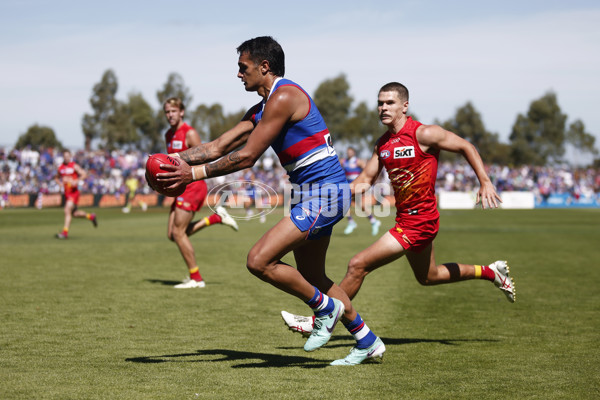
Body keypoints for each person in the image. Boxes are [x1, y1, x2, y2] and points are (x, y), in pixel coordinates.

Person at [157, 36, 385, 365]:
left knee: (259, 260)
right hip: (312, 193)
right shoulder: (263, 107)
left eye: (243, 68)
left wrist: (190, 175)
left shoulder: (284, 96)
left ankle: (325, 309)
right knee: (314, 278)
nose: (238, 74)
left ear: (264, 67)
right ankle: (367, 340)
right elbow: (218, 146)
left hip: (325, 192)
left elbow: (247, 156)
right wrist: (171, 159)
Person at [281, 82, 516, 339]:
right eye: (380, 103)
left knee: (358, 265)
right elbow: (366, 180)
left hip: (419, 222)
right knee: (429, 276)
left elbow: (466, 147)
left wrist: (484, 181)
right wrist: (332, 193)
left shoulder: (424, 134)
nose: (383, 107)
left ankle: (320, 319)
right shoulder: (382, 144)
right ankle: (491, 271)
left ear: (405, 106)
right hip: (407, 219)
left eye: (390, 103)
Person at [161, 97, 239, 289]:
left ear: (181, 112)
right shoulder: (168, 135)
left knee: (178, 233)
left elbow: (204, 157)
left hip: (193, 186)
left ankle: (196, 278)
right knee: (173, 234)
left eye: (173, 111)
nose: (170, 115)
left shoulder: (190, 133)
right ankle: (216, 219)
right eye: (167, 112)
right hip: (180, 187)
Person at [55, 150, 97, 239]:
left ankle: (65, 233)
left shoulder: (74, 166)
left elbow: (84, 174)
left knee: (67, 210)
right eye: (65, 156)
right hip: (67, 193)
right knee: (74, 214)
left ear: (70, 157)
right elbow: (56, 178)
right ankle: (91, 216)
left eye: (68, 156)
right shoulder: (61, 168)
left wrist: (76, 181)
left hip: (74, 193)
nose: (66, 158)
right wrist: (60, 184)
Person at [341, 146, 381, 236]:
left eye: (350, 152)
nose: (349, 153)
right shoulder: (344, 161)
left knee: (360, 205)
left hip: (357, 186)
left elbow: (368, 171)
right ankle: (369, 221)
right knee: (344, 204)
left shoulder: (358, 161)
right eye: (348, 152)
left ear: (354, 153)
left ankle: (372, 221)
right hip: (348, 186)